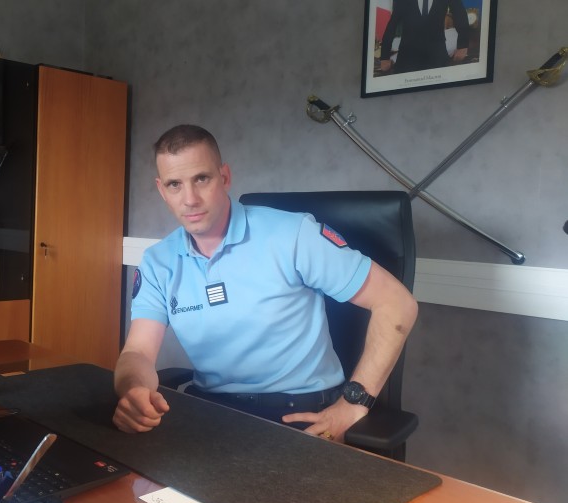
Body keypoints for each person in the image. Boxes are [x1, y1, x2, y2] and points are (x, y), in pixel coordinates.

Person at [112, 125, 418, 442]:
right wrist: (134, 390)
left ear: (224, 177)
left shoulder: (292, 235)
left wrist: (354, 403)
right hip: (211, 414)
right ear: (162, 190)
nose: (190, 199)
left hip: (299, 416)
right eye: (175, 185)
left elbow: (397, 304)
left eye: (201, 179)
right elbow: (138, 352)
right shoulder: (158, 261)